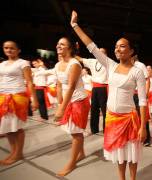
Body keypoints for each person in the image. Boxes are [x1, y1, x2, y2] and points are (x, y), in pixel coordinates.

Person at [71, 11, 147, 180]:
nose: (117, 48)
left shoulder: (137, 72)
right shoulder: (110, 65)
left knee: (132, 154)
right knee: (120, 153)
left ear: (131, 50)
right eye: (116, 46)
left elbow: (142, 100)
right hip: (112, 118)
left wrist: (143, 126)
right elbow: (91, 46)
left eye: (122, 46)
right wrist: (75, 25)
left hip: (130, 119)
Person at [54, 37, 90, 176]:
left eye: (62, 44)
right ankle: (81, 154)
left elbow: (70, 88)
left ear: (69, 48)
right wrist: (60, 104)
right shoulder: (58, 65)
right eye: (58, 44)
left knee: (76, 133)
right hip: (68, 102)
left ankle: (72, 163)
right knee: (73, 131)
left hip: (78, 102)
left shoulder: (74, 64)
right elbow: (58, 86)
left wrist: (62, 108)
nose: (58, 46)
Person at [0, 40, 39, 165]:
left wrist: (34, 100)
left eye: (12, 48)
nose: (9, 50)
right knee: (7, 128)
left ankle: (18, 153)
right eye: (6, 48)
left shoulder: (23, 63)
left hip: (17, 97)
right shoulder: (2, 64)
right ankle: (13, 152)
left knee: (16, 128)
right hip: (3, 97)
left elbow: (29, 82)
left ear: (18, 50)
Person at [75, 48, 108, 134]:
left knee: (105, 110)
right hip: (95, 88)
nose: (99, 53)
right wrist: (73, 51)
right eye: (98, 52)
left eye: (102, 52)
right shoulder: (92, 61)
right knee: (94, 109)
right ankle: (94, 129)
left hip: (104, 88)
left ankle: (106, 129)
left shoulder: (108, 62)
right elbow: (79, 59)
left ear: (105, 54)